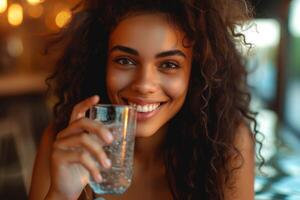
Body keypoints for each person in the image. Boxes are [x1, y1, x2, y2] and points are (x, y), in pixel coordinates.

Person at [29, 0, 263, 199]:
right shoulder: (64, 144)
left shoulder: (226, 145)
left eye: (169, 65)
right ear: (101, 63)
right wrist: (61, 194)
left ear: (196, 72)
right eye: (125, 61)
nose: (143, 85)